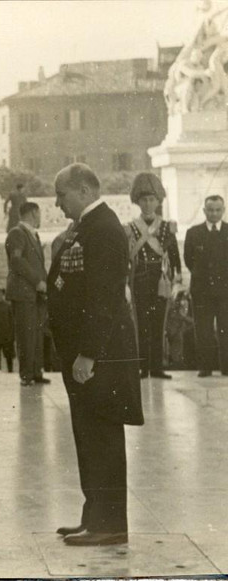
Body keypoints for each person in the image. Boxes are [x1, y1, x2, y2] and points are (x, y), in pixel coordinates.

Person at [47, 163, 143, 547]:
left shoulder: (103, 228)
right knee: (89, 437)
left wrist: (87, 353)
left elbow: (103, 299)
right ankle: (94, 516)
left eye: (62, 194)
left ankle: (109, 525)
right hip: (85, 356)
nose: (56, 203)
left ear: (84, 190)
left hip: (98, 357)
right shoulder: (88, 225)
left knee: (100, 437)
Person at [124, 173, 181, 379]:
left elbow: (173, 255)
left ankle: (157, 367)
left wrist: (177, 278)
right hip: (139, 277)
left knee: (159, 322)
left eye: (152, 200)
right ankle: (142, 367)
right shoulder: (131, 228)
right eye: (144, 200)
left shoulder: (166, 227)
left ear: (158, 201)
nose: (148, 204)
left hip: (160, 279)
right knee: (141, 322)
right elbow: (126, 258)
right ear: (138, 202)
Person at [6, 201, 50, 386]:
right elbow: (16, 261)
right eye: (39, 214)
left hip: (35, 294)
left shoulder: (32, 234)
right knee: (26, 334)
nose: (40, 218)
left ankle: (36, 371)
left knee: (36, 334)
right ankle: (26, 374)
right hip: (24, 293)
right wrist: (37, 281)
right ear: (32, 213)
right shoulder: (17, 233)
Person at [184, 194, 228, 377]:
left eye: (218, 210)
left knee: (226, 328)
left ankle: (226, 367)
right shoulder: (193, 233)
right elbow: (188, 260)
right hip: (202, 291)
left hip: (225, 290)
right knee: (203, 330)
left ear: (223, 211)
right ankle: (205, 367)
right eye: (210, 210)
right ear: (204, 211)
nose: (214, 213)